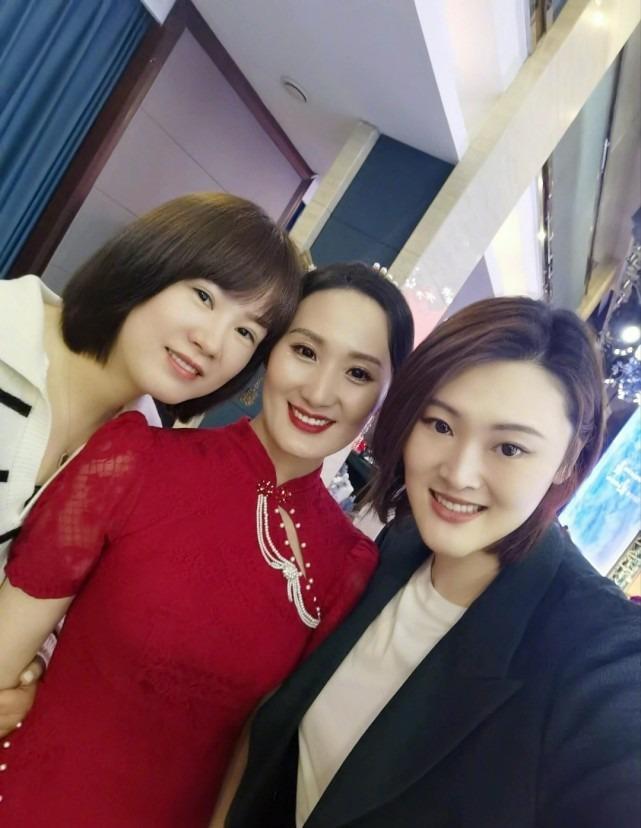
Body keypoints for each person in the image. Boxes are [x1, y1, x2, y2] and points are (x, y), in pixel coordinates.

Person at [0, 262, 414, 826]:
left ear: (384, 399)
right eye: (305, 351)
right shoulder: (133, 460)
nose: (320, 392)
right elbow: (7, 653)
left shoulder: (349, 564)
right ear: (268, 354)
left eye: (359, 373)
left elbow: (254, 744)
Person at [226, 296, 641, 828]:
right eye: (441, 425)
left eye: (509, 448)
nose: (458, 474)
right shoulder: (399, 546)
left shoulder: (599, 652)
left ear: (568, 458)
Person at [0, 191, 302, 733]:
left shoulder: (140, 458)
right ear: (150, 260)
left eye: (246, 332)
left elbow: (60, 600)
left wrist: (31, 670)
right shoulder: (7, 327)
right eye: (205, 297)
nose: (211, 342)